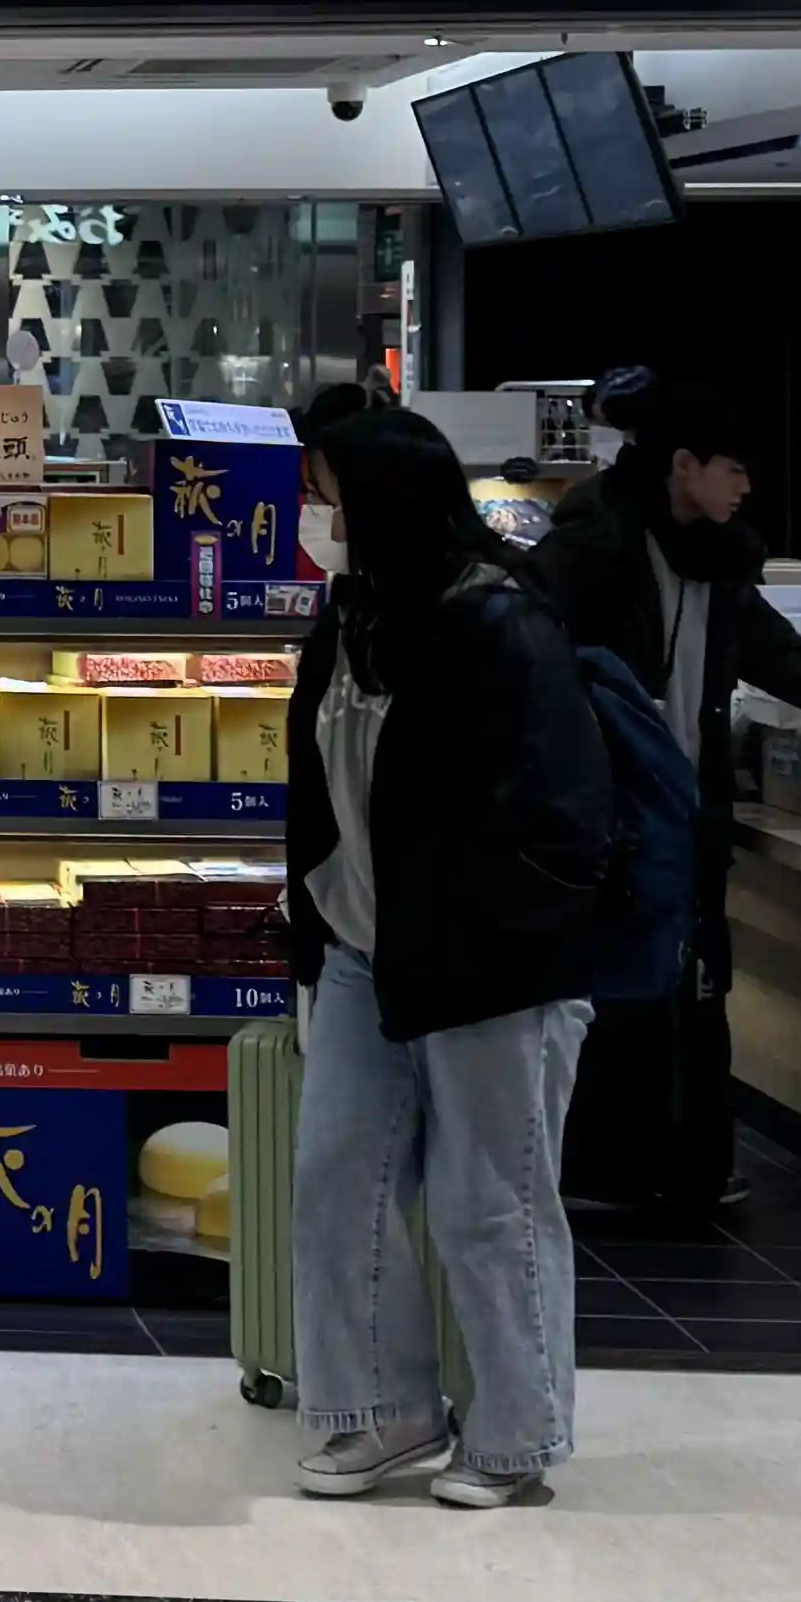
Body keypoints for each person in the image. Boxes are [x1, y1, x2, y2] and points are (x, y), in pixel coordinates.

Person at [277, 396, 615, 1510]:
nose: (315, 511)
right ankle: (384, 1411)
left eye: (327, 490)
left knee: (490, 1203)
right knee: (337, 1182)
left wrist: (501, 930)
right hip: (369, 947)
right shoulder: (354, 614)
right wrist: (316, 914)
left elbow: (563, 813)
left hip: (491, 965)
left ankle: (516, 1440)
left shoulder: (503, 623)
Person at [527, 375, 801, 1223]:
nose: (745, 487)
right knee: (624, 985)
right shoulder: (589, 550)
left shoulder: (713, 554)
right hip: (610, 808)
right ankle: (604, 1166)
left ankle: (687, 1166)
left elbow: (768, 649)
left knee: (693, 982)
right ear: (683, 465)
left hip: (682, 803)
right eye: (733, 468)